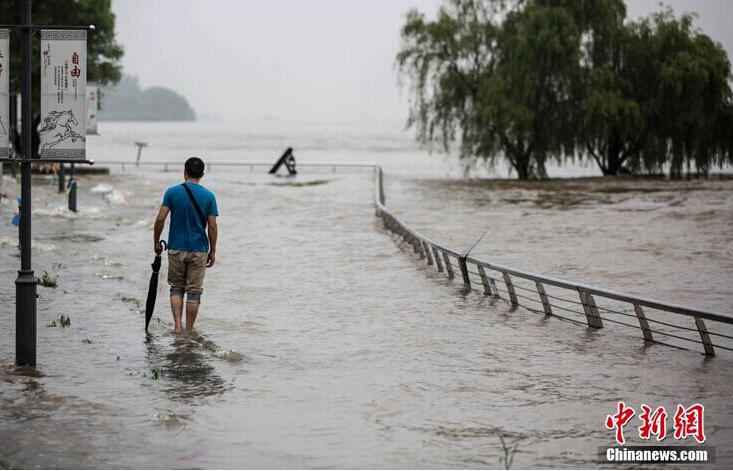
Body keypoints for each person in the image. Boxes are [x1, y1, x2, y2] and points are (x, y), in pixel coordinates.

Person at [153, 157, 218, 334]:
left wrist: (156, 241)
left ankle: (177, 327)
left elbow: (160, 218)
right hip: (199, 250)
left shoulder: (172, 192)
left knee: (176, 288)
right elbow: (212, 226)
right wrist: (213, 251)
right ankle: (188, 331)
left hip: (175, 248)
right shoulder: (209, 196)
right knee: (194, 292)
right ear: (202, 174)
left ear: (185, 171)